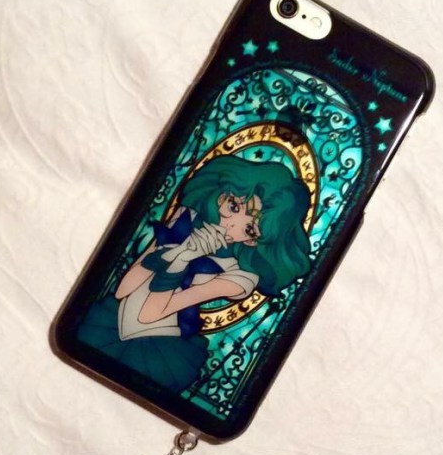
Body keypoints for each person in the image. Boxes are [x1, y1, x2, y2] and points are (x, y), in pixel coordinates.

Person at [78, 155, 311, 391]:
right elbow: (123, 289)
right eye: (233, 206)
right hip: (108, 323)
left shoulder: (240, 279)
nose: (229, 224)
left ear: (255, 241)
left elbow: (149, 314)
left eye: (249, 228)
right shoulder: (187, 218)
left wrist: (183, 259)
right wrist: (177, 250)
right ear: (222, 194)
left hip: (157, 354)